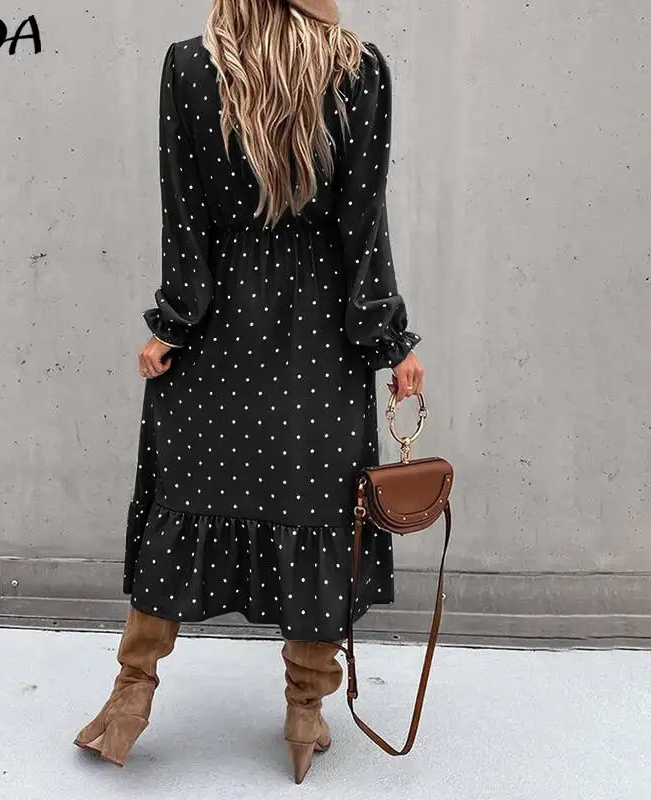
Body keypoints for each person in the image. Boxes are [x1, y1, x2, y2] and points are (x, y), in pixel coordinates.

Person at [74, 0, 425, 784]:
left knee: (185, 502)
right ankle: (305, 711)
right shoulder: (359, 68)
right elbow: (363, 221)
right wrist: (389, 340)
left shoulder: (189, 66)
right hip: (321, 339)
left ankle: (130, 695)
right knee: (320, 511)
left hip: (217, 330)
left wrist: (172, 326)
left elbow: (185, 216)